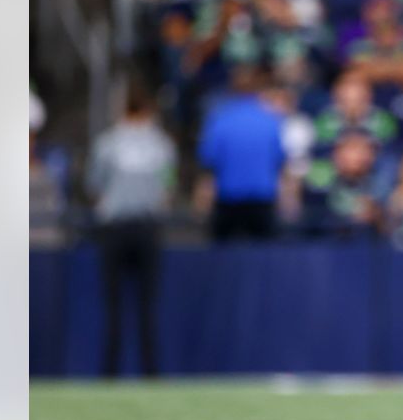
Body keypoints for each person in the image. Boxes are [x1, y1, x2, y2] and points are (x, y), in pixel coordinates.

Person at [85, 82, 176, 376]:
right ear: (148, 110)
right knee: (148, 307)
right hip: (147, 227)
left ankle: (109, 373)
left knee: (112, 307)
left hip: (115, 227)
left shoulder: (107, 143)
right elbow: (168, 189)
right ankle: (151, 373)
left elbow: (94, 187)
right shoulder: (162, 144)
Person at [197, 65, 286, 241]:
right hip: (262, 198)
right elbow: (279, 158)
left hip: (229, 197)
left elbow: (208, 157)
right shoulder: (271, 120)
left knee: (224, 261)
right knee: (265, 258)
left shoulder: (219, 119)